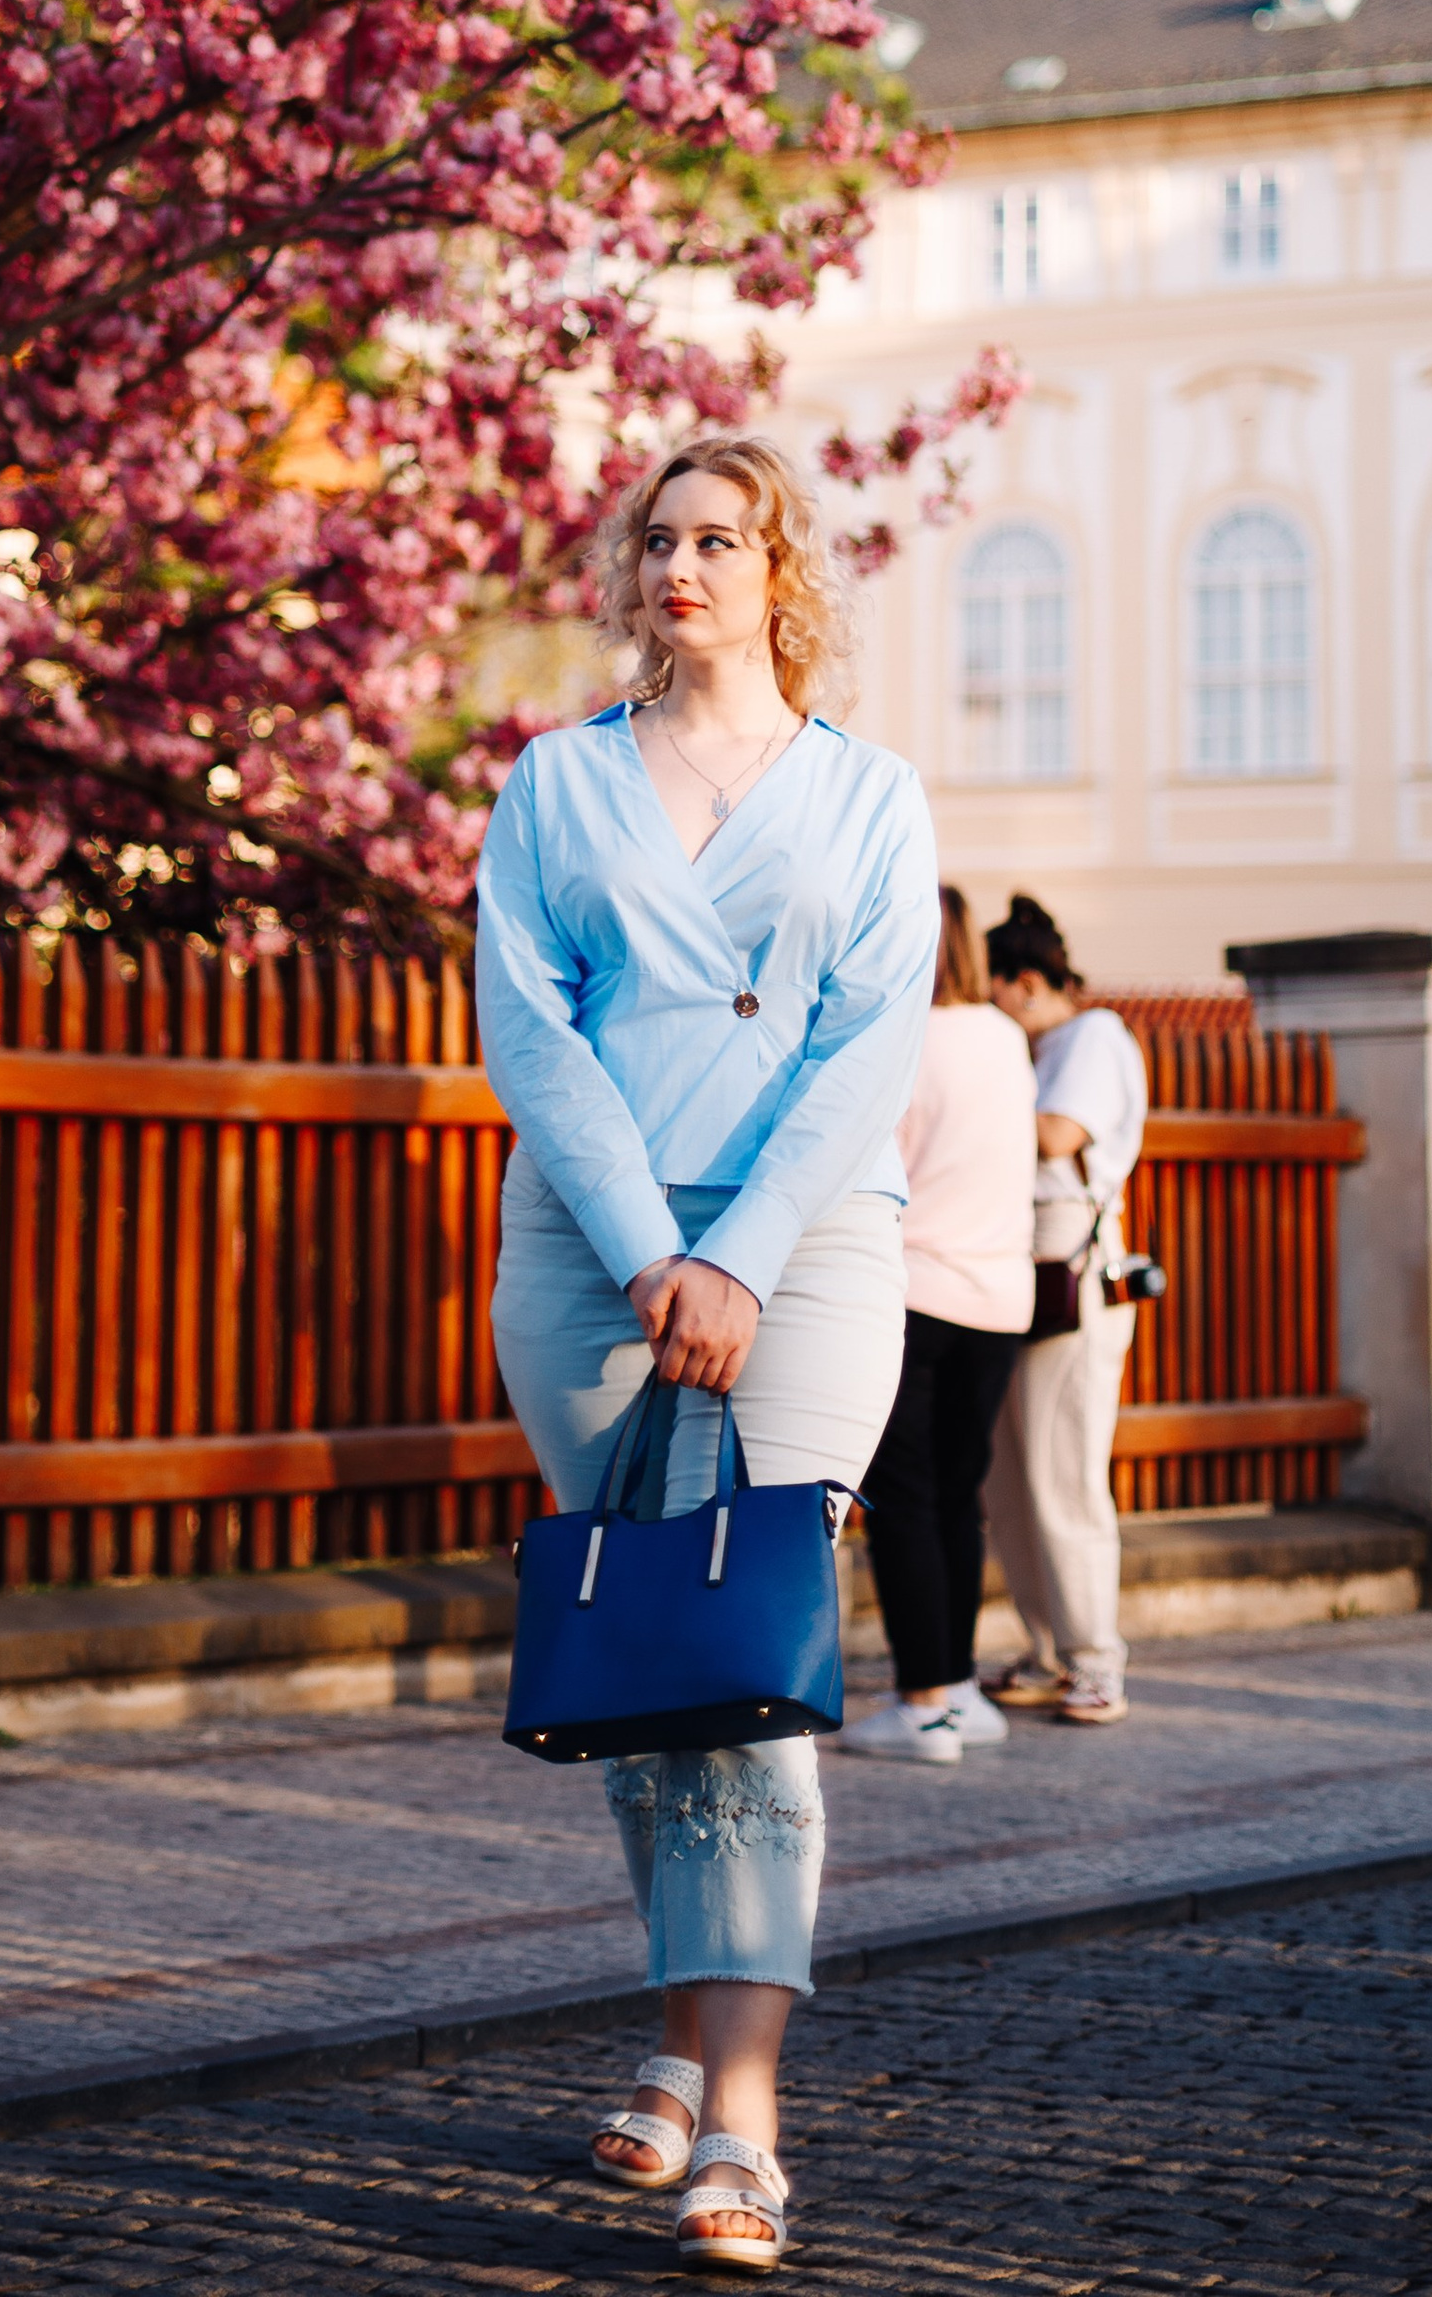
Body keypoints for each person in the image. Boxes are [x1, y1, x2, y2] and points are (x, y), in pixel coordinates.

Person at [478, 432, 938, 2275]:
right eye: (658, 538)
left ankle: (741, 2120)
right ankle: (680, 2046)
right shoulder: (556, 782)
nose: (681, 567)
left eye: (719, 539)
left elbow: (866, 1049)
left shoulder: (872, 796)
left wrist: (736, 1255)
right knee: (641, 1665)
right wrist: (653, 1248)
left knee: (752, 1663)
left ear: (781, 573)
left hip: (808, 1254)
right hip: (592, 1257)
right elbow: (533, 1028)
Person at [845, 884, 1037, 1763]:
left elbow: (875, 1161)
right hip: (1002, 1297)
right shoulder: (1005, 1035)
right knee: (959, 1497)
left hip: (917, 1287)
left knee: (906, 1499)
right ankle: (955, 1686)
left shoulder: (903, 1036)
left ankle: (922, 1701)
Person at [978, 894, 1149, 1727]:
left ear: (1026, 982)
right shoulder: (1042, 1044)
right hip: (1019, 1269)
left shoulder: (1095, 1035)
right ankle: (1047, 1648)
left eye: (995, 989)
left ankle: (1096, 1661)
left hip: (1073, 1273)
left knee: (1064, 1474)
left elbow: (1054, 1135)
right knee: (1009, 1478)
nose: (990, 1005)